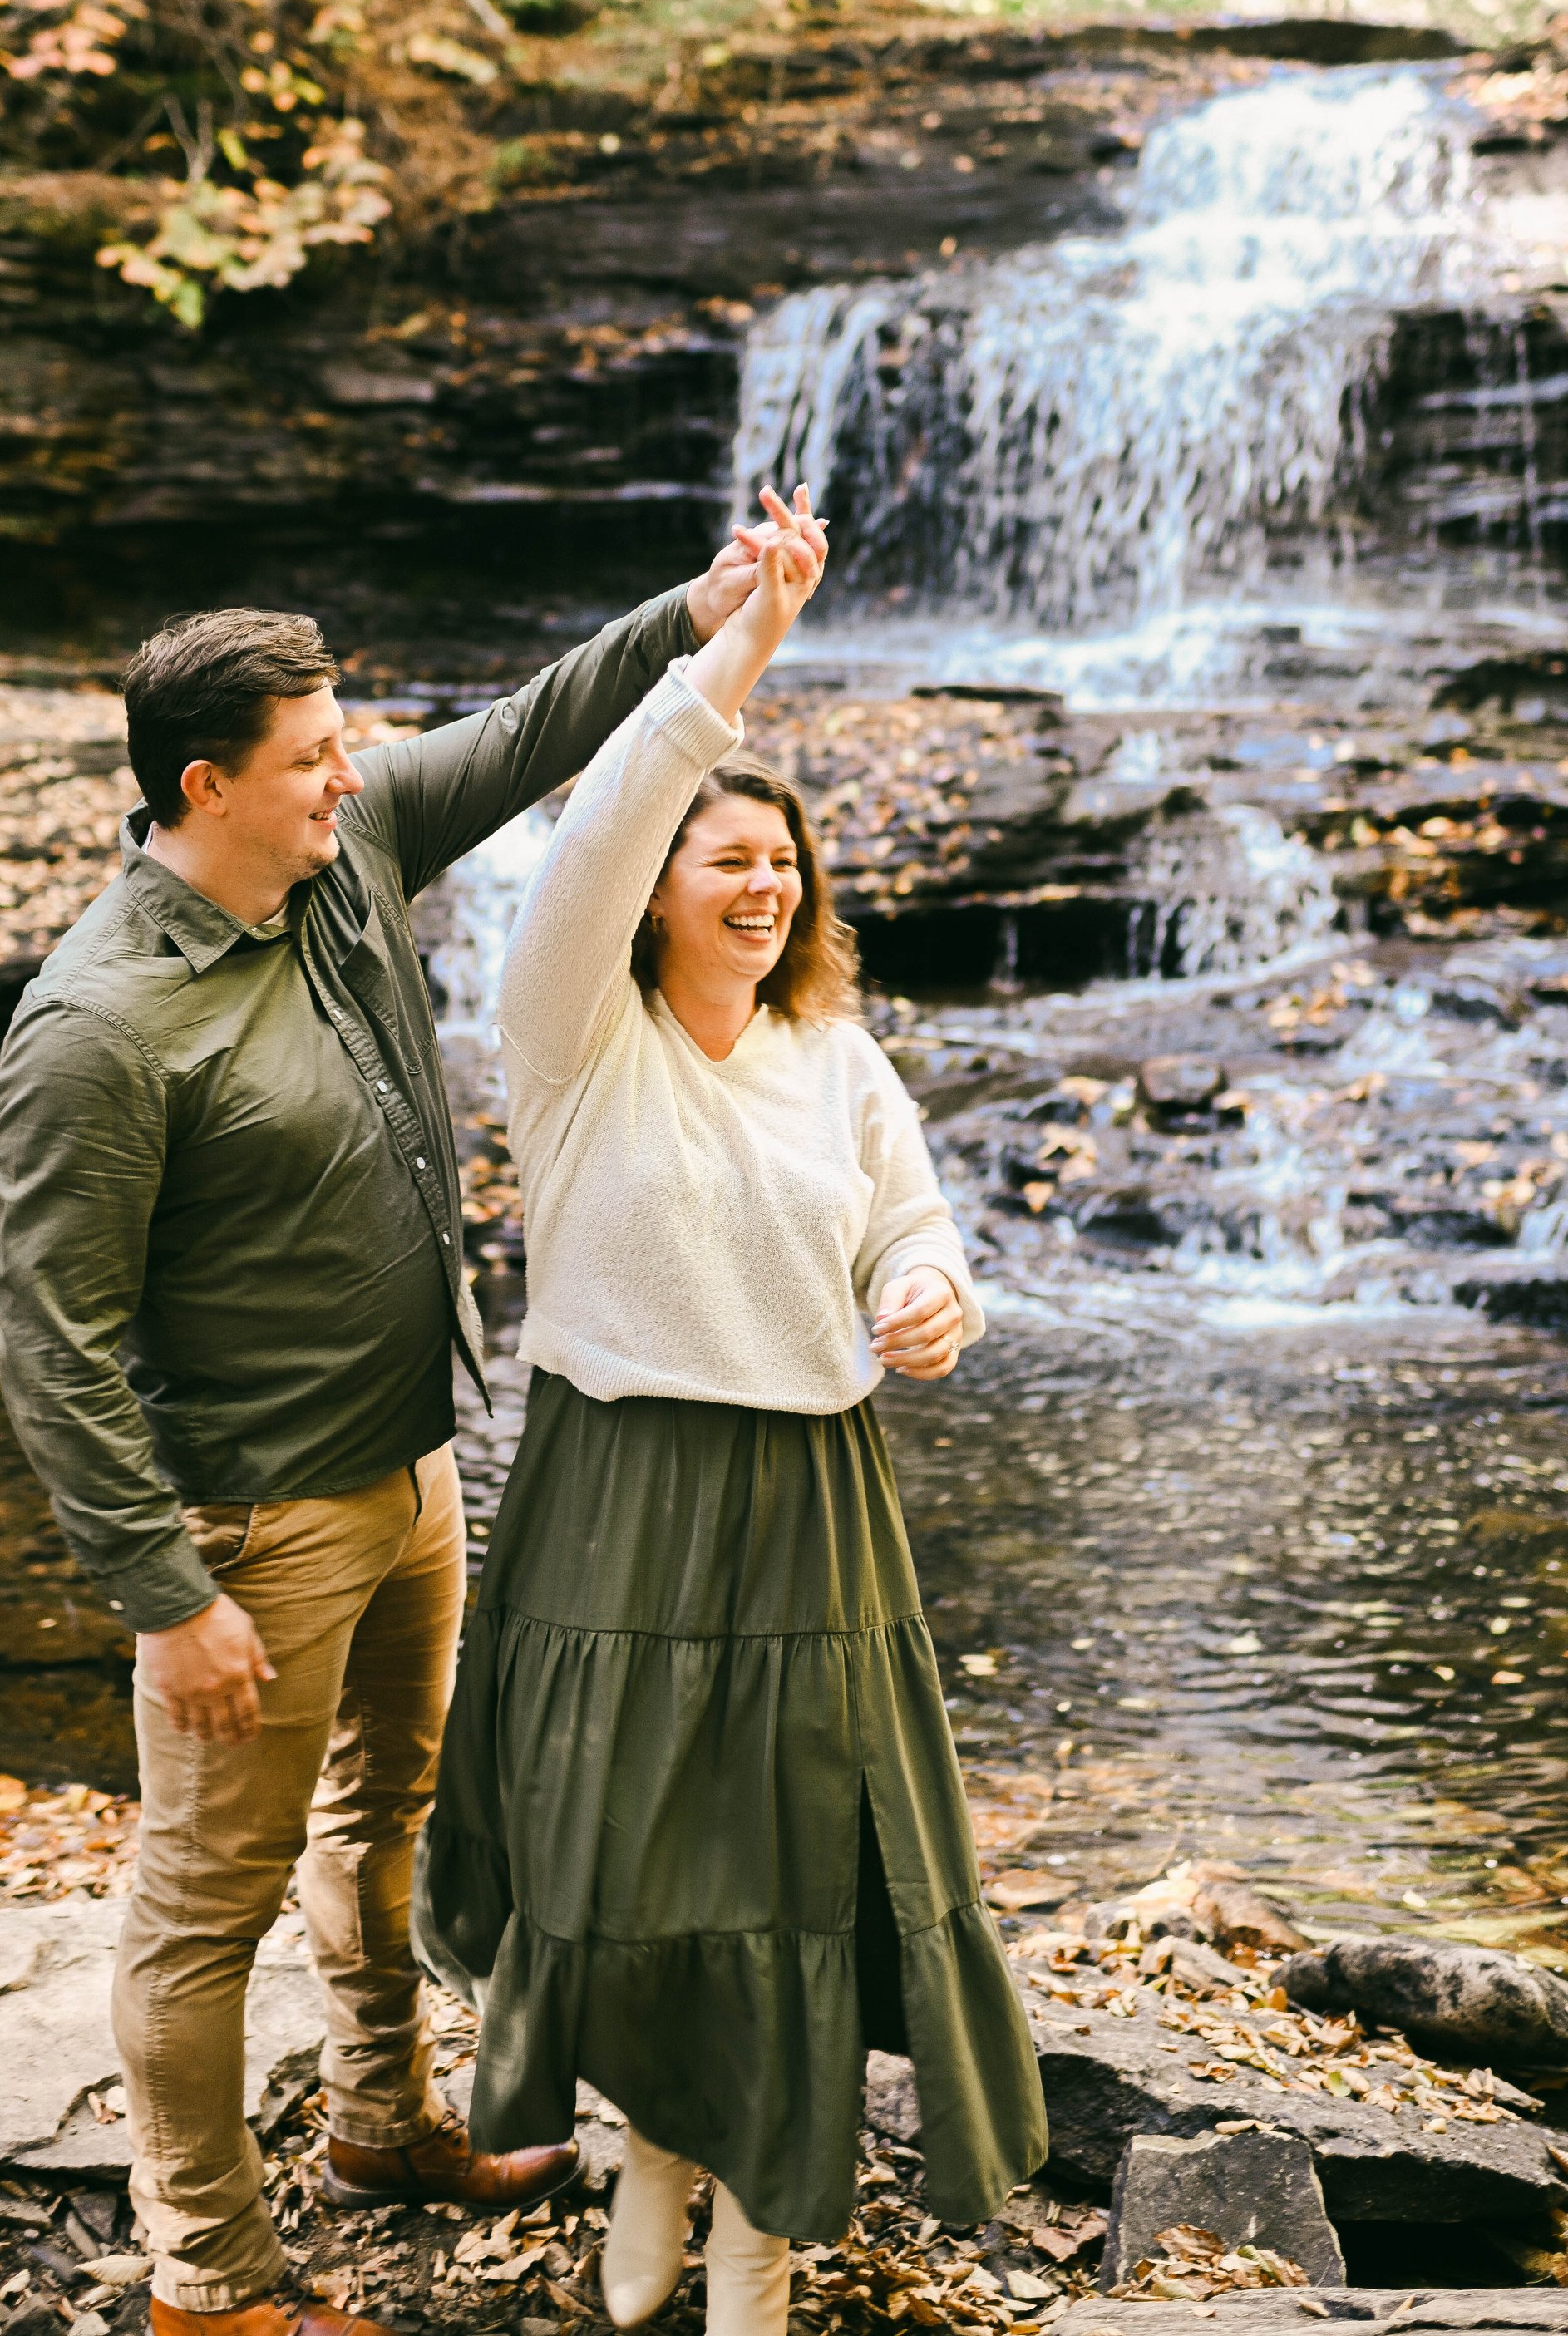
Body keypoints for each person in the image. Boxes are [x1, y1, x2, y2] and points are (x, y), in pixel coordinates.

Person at [0, 540, 775, 2336]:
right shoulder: (100, 1028)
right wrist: (165, 1591)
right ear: (207, 788)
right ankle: (208, 2277)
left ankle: (378, 2122)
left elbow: (526, 732)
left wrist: (699, 609)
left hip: (411, 1461)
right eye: (313, 754)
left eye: (347, 740)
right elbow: (55, 1346)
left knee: (389, 1806)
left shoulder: (343, 854)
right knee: (202, 1908)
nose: (352, 770)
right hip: (250, 1525)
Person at [421, 486, 1047, 2336]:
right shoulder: (571, 1034)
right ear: (658, 895)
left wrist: (931, 1295)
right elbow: (595, 827)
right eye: (726, 864)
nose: (762, 887)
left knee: (778, 1876)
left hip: (811, 1504)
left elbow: (913, 1227)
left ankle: (755, 2241)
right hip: (615, 1488)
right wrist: (733, 659)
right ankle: (645, 2172)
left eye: (784, 866)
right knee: (620, 1871)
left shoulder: (830, 1057)